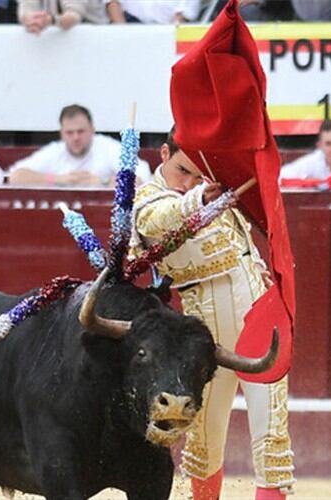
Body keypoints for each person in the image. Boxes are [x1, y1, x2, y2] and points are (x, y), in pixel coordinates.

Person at [130, 129, 295, 500]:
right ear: (162, 154)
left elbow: (243, 244)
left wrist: (259, 271)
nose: (190, 181)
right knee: (206, 437)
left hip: (260, 312)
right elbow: (154, 221)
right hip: (205, 333)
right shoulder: (146, 197)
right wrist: (195, 199)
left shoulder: (211, 186)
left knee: (273, 437)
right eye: (182, 171)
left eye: (196, 174)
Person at [8, 104, 151, 188]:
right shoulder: (55, 151)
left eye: (80, 131)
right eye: (70, 133)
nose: (75, 137)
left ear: (92, 130)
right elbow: (14, 176)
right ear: (62, 133)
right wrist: (58, 179)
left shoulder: (107, 147)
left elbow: (141, 179)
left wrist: (102, 181)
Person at [17, 0, 106, 33]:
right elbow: (25, 10)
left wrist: (51, 20)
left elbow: (73, 15)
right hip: (56, 40)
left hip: (92, 40)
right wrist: (33, 20)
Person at [106, 0, 200, 23]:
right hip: (128, 25)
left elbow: (184, 14)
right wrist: (122, 32)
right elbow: (112, 3)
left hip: (166, 32)